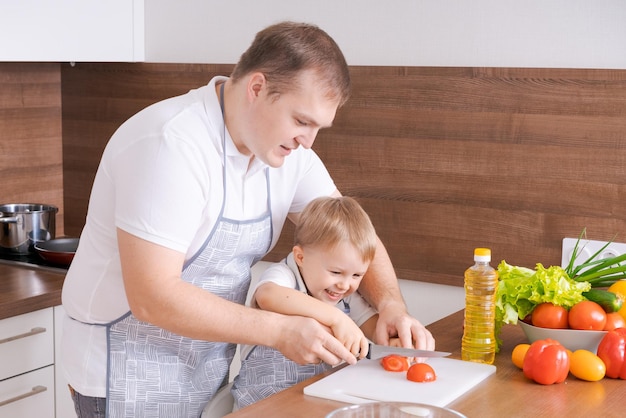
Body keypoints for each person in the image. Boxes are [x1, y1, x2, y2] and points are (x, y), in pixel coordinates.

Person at [60, 21, 435, 418]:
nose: (308, 141)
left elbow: (354, 236)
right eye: (302, 121)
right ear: (257, 89)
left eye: (317, 128)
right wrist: (279, 330)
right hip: (124, 372)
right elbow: (152, 297)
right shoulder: (170, 145)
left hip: (204, 366)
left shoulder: (289, 157)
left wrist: (390, 306)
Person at [231, 195, 403, 409]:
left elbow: (375, 330)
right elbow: (267, 295)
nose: (345, 285)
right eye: (336, 272)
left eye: (357, 275)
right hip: (260, 408)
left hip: (312, 404)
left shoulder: (344, 295)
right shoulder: (284, 276)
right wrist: (335, 318)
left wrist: (397, 344)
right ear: (300, 257)